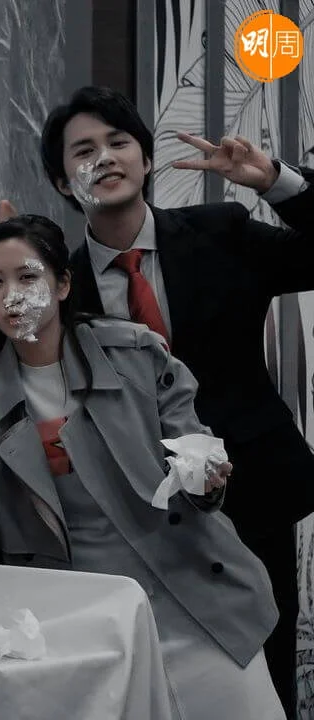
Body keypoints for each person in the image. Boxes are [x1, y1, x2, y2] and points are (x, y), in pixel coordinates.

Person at [0, 214, 283, 719]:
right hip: (82, 621)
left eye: (27, 276)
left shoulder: (135, 355)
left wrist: (204, 477)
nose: (11, 295)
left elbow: (194, 451)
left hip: (189, 595)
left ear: (63, 284)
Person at [40, 85, 314, 716]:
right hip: (134, 522)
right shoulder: (62, 288)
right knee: (147, 689)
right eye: (83, 150)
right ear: (61, 180)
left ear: (145, 157)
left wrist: (275, 181)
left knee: (262, 681)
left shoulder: (221, 233)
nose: (104, 157)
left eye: (118, 142)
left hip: (249, 499)